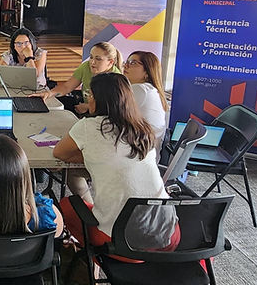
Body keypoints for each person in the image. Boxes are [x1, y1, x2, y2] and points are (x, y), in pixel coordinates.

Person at [52, 73, 178, 251]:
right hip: (168, 235)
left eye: (90, 95)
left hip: (119, 242)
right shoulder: (142, 127)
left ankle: (90, 258)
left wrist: (93, 155)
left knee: (66, 205)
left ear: (98, 99)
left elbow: (60, 153)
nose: (89, 99)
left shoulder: (89, 126)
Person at [31, 41, 122, 115]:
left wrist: (87, 106)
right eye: (91, 57)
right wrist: (49, 93)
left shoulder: (116, 78)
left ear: (110, 62)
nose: (92, 62)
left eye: (98, 59)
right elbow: (67, 87)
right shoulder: (86, 66)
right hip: (86, 105)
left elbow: (113, 107)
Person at [0, 27, 48, 91]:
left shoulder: (40, 53)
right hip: (14, 88)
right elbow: (0, 70)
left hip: (38, 89)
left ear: (32, 43)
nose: (22, 47)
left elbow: (34, 76)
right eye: (18, 44)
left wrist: (29, 57)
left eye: (26, 43)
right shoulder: (9, 54)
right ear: (14, 46)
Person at [123, 51, 168, 138]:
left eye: (133, 63)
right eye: (126, 62)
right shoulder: (150, 89)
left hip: (141, 143)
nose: (126, 66)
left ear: (147, 71)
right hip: (147, 142)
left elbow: (114, 115)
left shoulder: (141, 89)